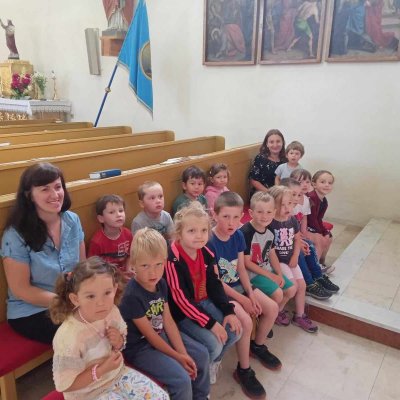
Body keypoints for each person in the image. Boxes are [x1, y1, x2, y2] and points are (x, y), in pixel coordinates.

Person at [50, 257, 169, 400]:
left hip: (117, 376)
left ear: (115, 289)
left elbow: (120, 344)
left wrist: (119, 341)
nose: (101, 303)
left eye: (107, 293)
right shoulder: (67, 337)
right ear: (75, 299)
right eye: (91, 296)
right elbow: (64, 385)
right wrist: (101, 370)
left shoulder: (112, 311)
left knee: (161, 397)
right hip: (88, 394)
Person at [120, 228, 210, 400]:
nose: (152, 272)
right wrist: (178, 357)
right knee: (181, 379)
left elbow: (168, 321)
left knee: (201, 355)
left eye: (158, 265)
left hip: (160, 333)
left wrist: (183, 353)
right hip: (140, 347)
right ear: (133, 264)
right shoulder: (131, 296)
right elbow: (150, 336)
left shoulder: (161, 284)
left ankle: (201, 396)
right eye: (145, 266)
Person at [0, 162, 85, 343]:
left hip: (71, 300)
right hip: (31, 311)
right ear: (29, 195)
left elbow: (82, 269)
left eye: (58, 187)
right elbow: (21, 290)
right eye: (45, 189)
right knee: (85, 333)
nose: (55, 195)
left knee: (111, 315)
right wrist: (69, 302)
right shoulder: (15, 234)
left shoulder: (72, 220)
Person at [208, 192, 282, 399]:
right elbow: (216, 282)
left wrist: (250, 293)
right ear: (215, 215)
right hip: (222, 293)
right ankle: (243, 370)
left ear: (242, 216)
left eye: (236, 217)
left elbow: (241, 268)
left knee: (272, 308)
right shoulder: (210, 241)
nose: (231, 223)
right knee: (246, 323)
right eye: (226, 217)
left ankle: (257, 346)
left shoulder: (239, 235)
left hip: (240, 286)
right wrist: (243, 300)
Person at [164, 202, 241, 385]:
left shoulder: (206, 252)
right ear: (179, 233)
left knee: (234, 332)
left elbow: (214, 283)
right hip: (181, 313)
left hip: (203, 302)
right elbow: (181, 300)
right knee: (214, 345)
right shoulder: (172, 259)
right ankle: (198, 376)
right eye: (192, 231)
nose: (199, 236)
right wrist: (212, 324)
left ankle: (213, 363)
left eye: (204, 230)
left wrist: (228, 311)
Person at [240, 191, 297, 325]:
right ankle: (264, 317)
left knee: (291, 289)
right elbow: (247, 263)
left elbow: (272, 254)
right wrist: (271, 276)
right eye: (260, 212)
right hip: (252, 274)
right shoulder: (245, 232)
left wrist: (279, 274)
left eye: (269, 212)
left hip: (266, 270)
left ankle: (274, 314)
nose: (265, 216)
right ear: (251, 212)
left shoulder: (270, 230)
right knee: (278, 293)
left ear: (274, 212)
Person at [268, 185, 318, 333]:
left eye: (289, 203)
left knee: (302, 286)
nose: (287, 208)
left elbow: (297, 239)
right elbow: (269, 250)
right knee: (293, 287)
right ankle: (277, 311)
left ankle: (300, 316)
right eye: (282, 205)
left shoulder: (292, 220)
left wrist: (296, 256)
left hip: (291, 259)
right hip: (278, 261)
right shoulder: (270, 223)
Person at [281, 178, 339, 299]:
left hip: (291, 240)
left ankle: (317, 276)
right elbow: (281, 237)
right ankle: (309, 283)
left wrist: (300, 241)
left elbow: (294, 232)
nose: (296, 198)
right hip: (282, 247)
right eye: (293, 195)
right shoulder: (282, 213)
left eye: (299, 195)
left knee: (309, 245)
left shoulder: (290, 213)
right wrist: (298, 244)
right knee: (300, 251)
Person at [88, 194, 133, 282]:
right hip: (108, 278)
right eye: (112, 212)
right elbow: (93, 267)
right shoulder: (97, 242)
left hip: (126, 275)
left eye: (121, 210)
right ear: (101, 218)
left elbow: (130, 255)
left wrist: (129, 269)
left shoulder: (128, 233)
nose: (119, 215)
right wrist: (119, 276)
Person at [305, 170, 335, 268]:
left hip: (312, 224)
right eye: (322, 182)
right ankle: (314, 267)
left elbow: (319, 219)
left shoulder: (324, 201)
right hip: (304, 225)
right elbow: (311, 220)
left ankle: (321, 262)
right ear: (314, 184)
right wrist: (320, 233)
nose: (327, 185)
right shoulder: (312, 197)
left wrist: (325, 232)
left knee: (329, 237)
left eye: (330, 183)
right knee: (320, 240)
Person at [248, 129, 286, 196]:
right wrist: (270, 194)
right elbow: (253, 180)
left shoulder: (286, 159)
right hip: (263, 194)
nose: (275, 145)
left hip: (281, 194)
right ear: (267, 144)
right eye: (271, 142)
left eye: (278, 141)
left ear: (282, 143)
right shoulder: (260, 158)